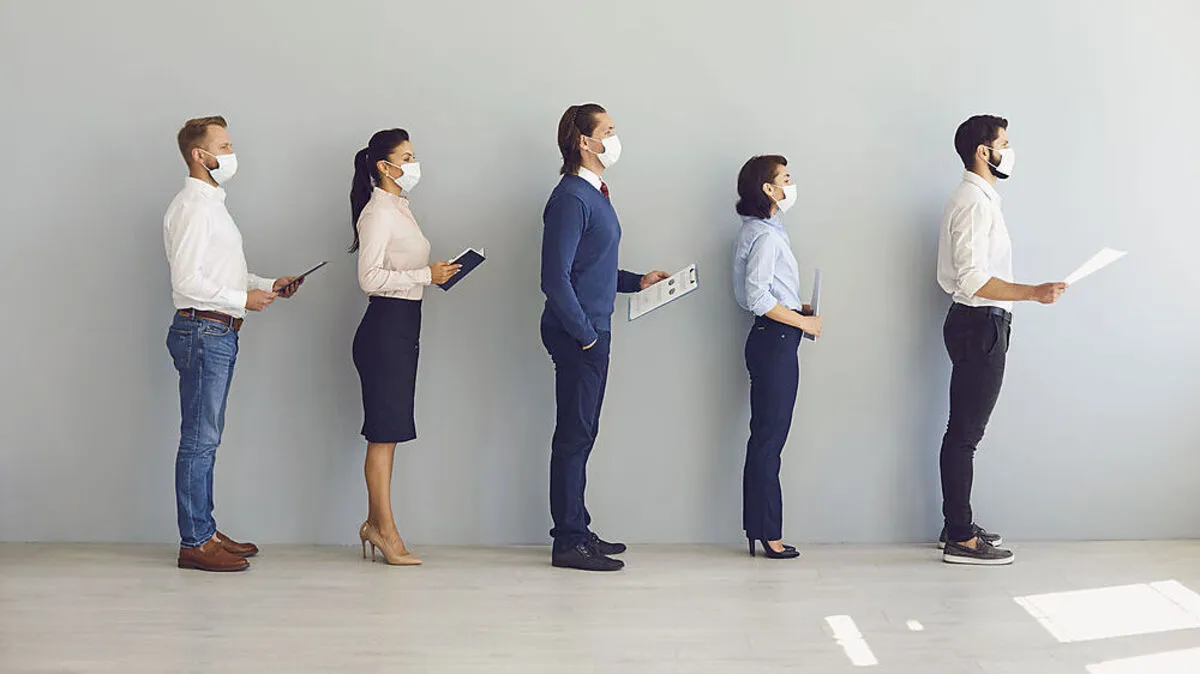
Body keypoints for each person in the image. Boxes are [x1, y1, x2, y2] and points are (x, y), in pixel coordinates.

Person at [164, 116, 304, 572]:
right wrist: (242, 299)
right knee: (199, 440)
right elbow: (187, 282)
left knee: (207, 438)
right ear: (198, 156)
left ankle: (203, 528)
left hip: (217, 330)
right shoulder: (192, 208)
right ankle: (195, 541)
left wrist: (267, 284)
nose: (230, 153)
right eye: (223, 146)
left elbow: (218, 275)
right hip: (203, 329)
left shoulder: (213, 205)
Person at [540, 103, 668, 571]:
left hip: (592, 329)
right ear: (585, 142)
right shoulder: (572, 198)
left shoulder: (594, 194)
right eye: (608, 131)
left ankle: (578, 528)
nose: (616, 139)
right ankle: (568, 541)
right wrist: (586, 336)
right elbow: (555, 279)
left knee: (582, 433)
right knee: (574, 436)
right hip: (580, 334)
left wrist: (636, 281)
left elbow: (588, 268)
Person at [936, 115, 1068, 565]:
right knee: (965, 435)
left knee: (963, 432)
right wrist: (1032, 292)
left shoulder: (981, 198)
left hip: (978, 323)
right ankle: (960, 537)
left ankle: (956, 523)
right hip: (979, 323)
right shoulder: (974, 201)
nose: (1008, 152)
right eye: (1004, 144)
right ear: (983, 152)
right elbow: (972, 278)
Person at [349, 128, 460, 566]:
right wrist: (424, 276)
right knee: (383, 434)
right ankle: (384, 531)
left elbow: (407, 269)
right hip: (384, 329)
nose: (414, 165)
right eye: (407, 157)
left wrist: (435, 275)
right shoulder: (378, 213)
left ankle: (376, 524)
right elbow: (369, 279)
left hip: (404, 325)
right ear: (385, 165)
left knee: (390, 434)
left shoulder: (400, 209)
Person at [731, 155, 822, 560]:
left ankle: (760, 528)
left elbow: (767, 291)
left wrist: (795, 306)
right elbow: (755, 297)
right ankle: (770, 534)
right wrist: (805, 324)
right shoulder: (765, 236)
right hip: (776, 343)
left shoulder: (760, 230)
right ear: (768, 189)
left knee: (765, 439)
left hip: (774, 336)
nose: (791, 184)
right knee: (770, 441)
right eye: (786, 178)